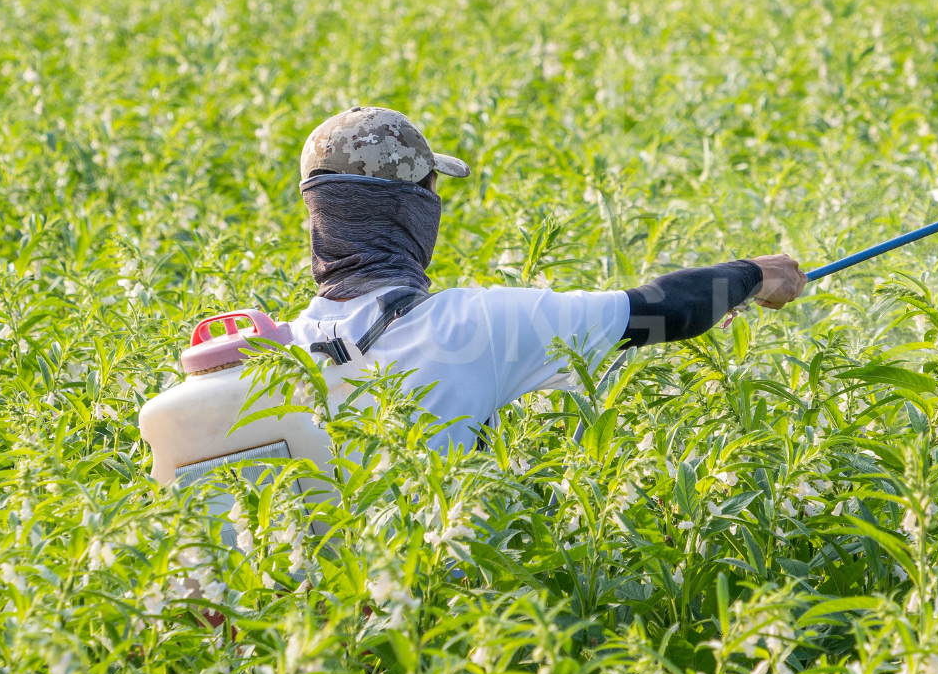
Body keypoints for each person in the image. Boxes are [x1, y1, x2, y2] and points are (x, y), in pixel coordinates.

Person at [287, 107, 806, 450]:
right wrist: (755, 274)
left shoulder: (279, 352)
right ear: (414, 208)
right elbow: (662, 311)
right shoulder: (472, 325)